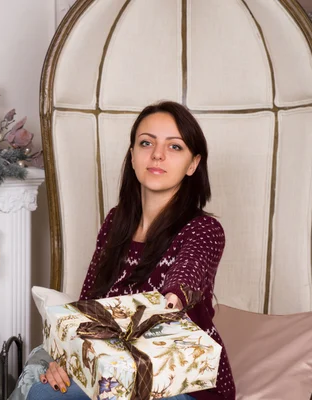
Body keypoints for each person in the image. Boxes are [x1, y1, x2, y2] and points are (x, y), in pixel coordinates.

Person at [20, 101, 236, 400]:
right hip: (115, 367)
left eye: (174, 147)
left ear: (193, 164)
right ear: (133, 155)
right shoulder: (115, 222)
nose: (157, 154)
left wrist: (174, 296)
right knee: (44, 392)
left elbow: (189, 270)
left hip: (183, 381)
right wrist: (68, 356)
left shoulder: (203, 229)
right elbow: (89, 303)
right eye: (146, 143)